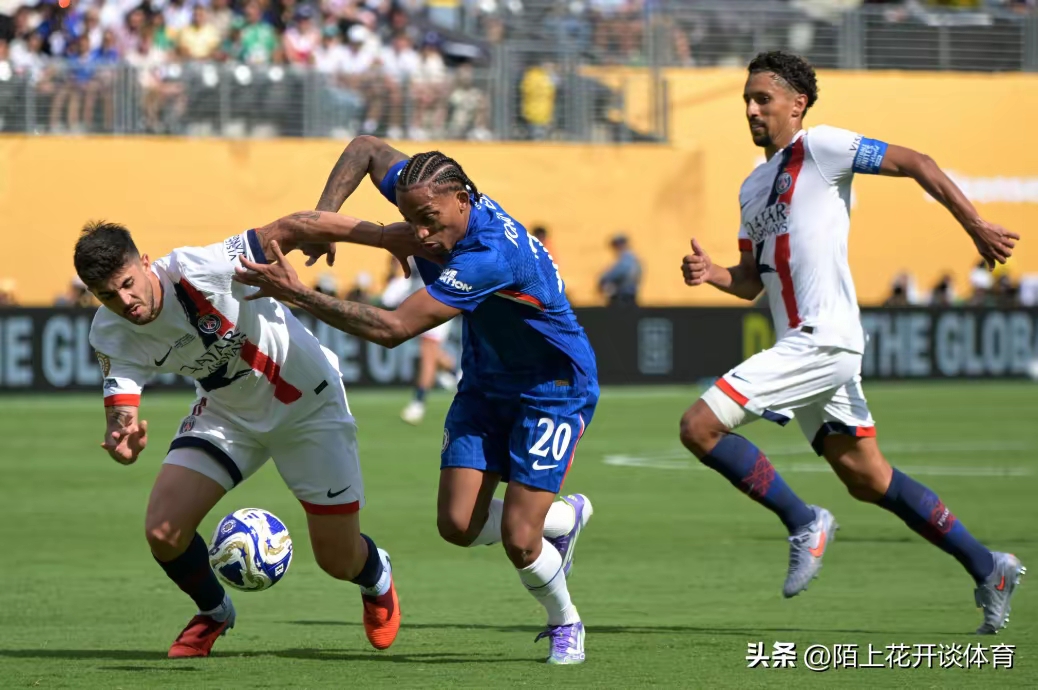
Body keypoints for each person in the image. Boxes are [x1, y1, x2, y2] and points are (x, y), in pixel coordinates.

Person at [679, 51, 1024, 634]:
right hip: (810, 348)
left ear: (798, 104)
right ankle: (988, 566)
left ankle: (802, 519)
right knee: (867, 477)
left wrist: (975, 223)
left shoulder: (822, 148)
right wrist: (711, 272)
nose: (752, 108)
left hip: (824, 339)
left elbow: (917, 161)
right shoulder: (752, 187)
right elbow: (750, 282)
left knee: (699, 426)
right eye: (747, 99)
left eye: (764, 98)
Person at [234, 137, 599, 664]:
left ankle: (566, 622)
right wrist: (326, 220)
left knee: (521, 540)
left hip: (553, 389)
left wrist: (297, 294)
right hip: (485, 382)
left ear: (464, 200)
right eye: (411, 220)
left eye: (429, 220)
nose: (422, 234)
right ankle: (562, 520)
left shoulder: (489, 255)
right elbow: (364, 149)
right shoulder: (432, 188)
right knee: (456, 526)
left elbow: (393, 328)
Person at [75, 217, 401, 659]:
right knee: (163, 531)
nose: (126, 301)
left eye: (129, 284)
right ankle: (215, 611)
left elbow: (291, 226)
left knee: (337, 560)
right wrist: (123, 441)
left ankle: (376, 575)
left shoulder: (197, 268)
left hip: (310, 407)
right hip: (229, 414)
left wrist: (383, 237)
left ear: (146, 263)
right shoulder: (109, 332)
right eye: (108, 295)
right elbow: (122, 416)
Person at [381, 255, 459, 425]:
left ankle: (418, 403)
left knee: (428, 353)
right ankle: (459, 377)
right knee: (433, 353)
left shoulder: (424, 248)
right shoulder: (411, 263)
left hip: (436, 301)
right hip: (427, 303)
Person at [598, 233, 641, 306]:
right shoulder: (633, 259)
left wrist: (603, 280)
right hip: (630, 296)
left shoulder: (626, 260)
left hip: (623, 297)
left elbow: (614, 275)